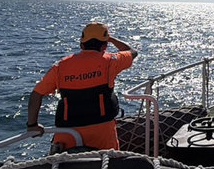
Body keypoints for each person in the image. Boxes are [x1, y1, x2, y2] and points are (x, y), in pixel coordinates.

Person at [27, 22, 138, 151]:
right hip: (102, 133)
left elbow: (37, 94)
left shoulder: (60, 67)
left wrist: (32, 125)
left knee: (60, 167)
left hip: (67, 133)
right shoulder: (111, 61)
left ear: (81, 44)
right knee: (106, 166)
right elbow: (132, 52)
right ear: (105, 45)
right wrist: (111, 38)